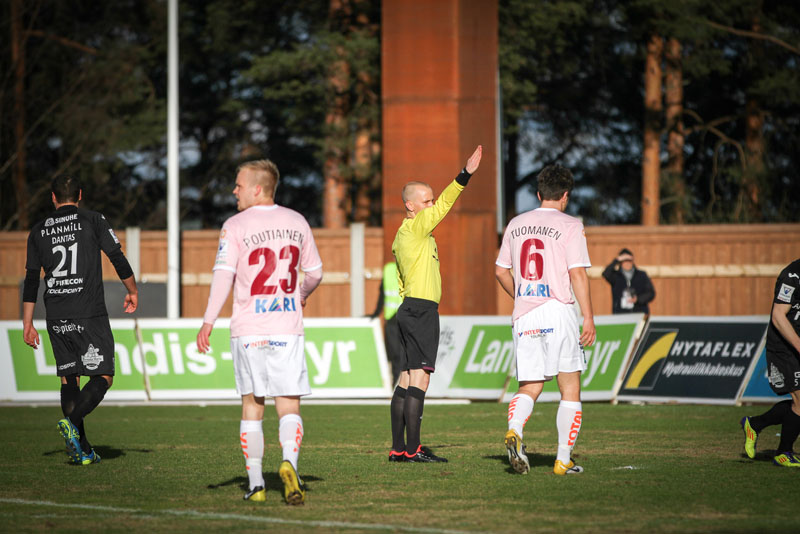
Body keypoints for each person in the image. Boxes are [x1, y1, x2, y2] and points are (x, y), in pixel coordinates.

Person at [196, 159, 323, 504]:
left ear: (257, 188)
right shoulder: (297, 221)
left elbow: (224, 275)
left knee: (253, 406)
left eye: (238, 185)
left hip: (249, 330)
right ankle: (289, 464)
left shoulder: (235, 225)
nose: (234, 191)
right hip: (287, 327)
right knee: (289, 405)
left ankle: (255, 485)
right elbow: (314, 272)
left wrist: (208, 320)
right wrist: (299, 296)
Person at [22, 174, 138, 465]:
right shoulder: (93, 220)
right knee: (104, 376)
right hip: (88, 311)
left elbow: (31, 280)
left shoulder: (37, 231)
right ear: (80, 195)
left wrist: (27, 322)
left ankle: (84, 451)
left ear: (52, 198)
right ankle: (72, 423)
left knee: (68, 377)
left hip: (56, 314)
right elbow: (117, 256)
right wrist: (132, 290)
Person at [495, 164, 596, 476]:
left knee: (530, 385)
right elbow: (577, 273)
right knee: (570, 387)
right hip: (558, 310)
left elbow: (500, 270)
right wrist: (589, 317)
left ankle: (515, 430)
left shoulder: (515, 223)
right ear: (565, 196)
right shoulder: (571, 225)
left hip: (525, 314)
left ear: (538, 194)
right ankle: (563, 459)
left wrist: (523, 296)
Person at [388, 145, 482, 463]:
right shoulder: (416, 226)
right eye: (425, 201)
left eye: (430, 200)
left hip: (408, 309)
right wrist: (465, 174)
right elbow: (444, 204)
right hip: (421, 309)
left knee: (405, 377)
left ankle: (399, 448)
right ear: (410, 206)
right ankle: (413, 450)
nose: (430, 206)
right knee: (421, 378)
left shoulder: (404, 235)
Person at [740, 258, 800, 467]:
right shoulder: (793, 275)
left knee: (799, 403)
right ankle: (784, 452)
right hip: (784, 347)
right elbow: (778, 316)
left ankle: (755, 424)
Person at [369, 261, 403, 384]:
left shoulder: (412, 268)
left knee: (403, 355)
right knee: (395, 354)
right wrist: (376, 312)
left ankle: (402, 384)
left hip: (406, 319)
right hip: (391, 319)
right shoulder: (388, 269)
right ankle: (396, 383)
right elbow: (382, 293)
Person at [602, 248, 655, 315]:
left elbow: (651, 293)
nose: (627, 263)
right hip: (620, 315)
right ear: (620, 262)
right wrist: (616, 260)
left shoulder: (641, 275)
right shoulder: (616, 276)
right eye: (624, 260)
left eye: (629, 260)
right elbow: (605, 273)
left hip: (639, 313)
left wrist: (638, 299)